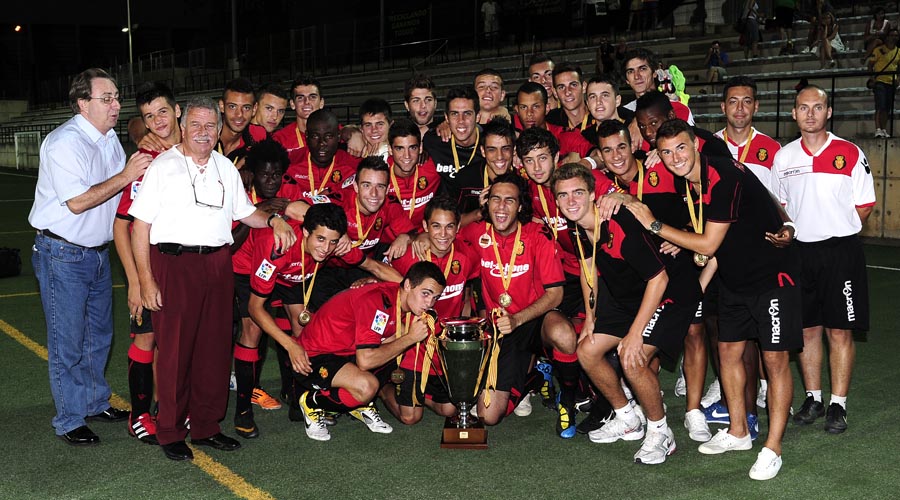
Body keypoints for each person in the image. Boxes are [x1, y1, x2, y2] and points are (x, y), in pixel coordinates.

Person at [624, 119, 801, 480]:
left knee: (774, 360)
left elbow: (707, 244)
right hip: (734, 279)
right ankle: (738, 432)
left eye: (681, 149)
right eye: (666, 152)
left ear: (696, 146)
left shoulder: (722, 175)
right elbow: (714, 232)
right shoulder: (690, 183)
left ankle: (773, 447)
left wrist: (654, 224)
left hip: (772, 278)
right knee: (727, 353)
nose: (675, 158)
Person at [129, 96, 297, 461]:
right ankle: (171, 430)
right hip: (172, 265)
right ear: (183, 126)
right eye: (196, 125)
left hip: (218, 264)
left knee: (214, 349)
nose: (203, 133)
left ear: (219, 129)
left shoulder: (226, 167)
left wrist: (274, 219)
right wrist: (145, 279)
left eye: (210, 126)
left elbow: (246, 213)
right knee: (174, 351)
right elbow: (139, 226)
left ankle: (206, 426)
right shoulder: (162, 167)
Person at [29, 68, 153, 446]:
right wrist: (127, 173)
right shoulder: (65, 142)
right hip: (62, 253)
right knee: (68, 340)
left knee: (99, 335)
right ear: (83, 103)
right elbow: (79, 201)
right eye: (107, 98)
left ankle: (95, 401)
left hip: (97, 254)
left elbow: (123, 194)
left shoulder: (107, 139)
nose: (116, 104)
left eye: (116, 97)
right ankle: (69, 418)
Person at [552, 162, 700, 464]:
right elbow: (587, 268)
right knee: (587, 351)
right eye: (563, 195)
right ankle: (628, 418)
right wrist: (591, 319)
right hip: (629, 295)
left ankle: (661, 432)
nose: (571, 201)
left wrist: (634, 334)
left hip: (669, 293)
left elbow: (659, 279)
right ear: (555, 200)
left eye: (578, 193)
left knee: (631, 358)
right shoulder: (575, 224)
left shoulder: (618, 223)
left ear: (594, 194)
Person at [243, 203, 401, 438]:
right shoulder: (277, 245)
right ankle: (243, 411)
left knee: (306, 336)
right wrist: (289, 345)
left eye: (333, 241)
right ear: (306, 232)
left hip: (295, 278)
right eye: (320, 239)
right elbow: (255, 307)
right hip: (250, 269)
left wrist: (408, 288)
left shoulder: (335, 245)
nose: (326, 248)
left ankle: (302, 399)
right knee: (252, 330)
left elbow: (375, 268)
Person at [770, 85, 876, 434]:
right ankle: (813, 398)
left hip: (840, 252)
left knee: (840, 330)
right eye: (803, 108)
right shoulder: (784, 157)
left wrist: (837, 230)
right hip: (799, 253)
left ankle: (838, 404)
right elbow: (779, 206)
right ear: (794, 113)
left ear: (828, 112)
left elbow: (865, 204)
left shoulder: (850, 152)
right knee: (807, 329)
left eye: (817, 107)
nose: (810, 114)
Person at [458, 173, 580, 439]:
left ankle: (568, 399)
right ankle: (536, 377)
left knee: (564, 334)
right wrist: (416, 239)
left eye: (509, 201)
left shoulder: (538, 234)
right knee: (489, 416)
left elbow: (556, 293)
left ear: (521, 206)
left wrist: (519, 319)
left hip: (536, 319)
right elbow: (444, 232)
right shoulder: (476, 233)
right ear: (486, 204)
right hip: (501, 327)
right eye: (496, 200)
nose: (501, 207)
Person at [292, 262, 446, 441]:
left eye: (435, 297)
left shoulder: (398, 299)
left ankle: (360, 403)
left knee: (397, 346)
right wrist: (410, 338)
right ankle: (311, 401)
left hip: (346, 353)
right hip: (313, 357)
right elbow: (366, 361)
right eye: (425, 294)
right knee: (367, 386)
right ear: (407, 285)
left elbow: (388, 340)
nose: (430, 303)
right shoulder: (377, 301)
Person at [113, 81, 182, 445]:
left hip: (185, 268)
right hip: (150, 264)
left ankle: (167, 406)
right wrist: (136, 281)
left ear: (177, 111)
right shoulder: (145, 160)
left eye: (162, 112)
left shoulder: (199, 148)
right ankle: (139, 414)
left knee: (177, 341)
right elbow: (121, 225)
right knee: (146, 336)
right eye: (148, 117)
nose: (156, 122)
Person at [381, 197, 479, 425]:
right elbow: (383, 282)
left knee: (449, 409)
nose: (443, 234)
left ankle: (419, 394)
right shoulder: (408, 256)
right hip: (411, 346)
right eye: (436, 226)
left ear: (457, 228)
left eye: (449, 226)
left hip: (443, 348)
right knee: (410, 417)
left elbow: (469, 291)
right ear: (425, 227)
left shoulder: (468, 254)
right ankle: (383, 387)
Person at [422, 86, 486, 220]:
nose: (461, 120)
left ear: (478, 116)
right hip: (443, 222)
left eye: (467, 113)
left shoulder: (489, 145)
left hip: (479, 221)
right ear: (446, 118)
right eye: (454, 114)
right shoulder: (433, 142)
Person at [283, 109, 360, 201]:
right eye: (315, 136)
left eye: (328, 136)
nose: (322, 143)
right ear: (307, 136)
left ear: (338, 136)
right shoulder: (289, 161)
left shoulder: (352, 165)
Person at [386, 118, 442, 227]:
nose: (407, 156)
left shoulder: (432, 168)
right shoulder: (380, 175)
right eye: (399, 149)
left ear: (420, 148)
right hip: (389, 242)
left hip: (424, 238)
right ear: (390, 149)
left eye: (412, 148)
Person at [217, 78, 268, 164]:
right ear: (222, 106)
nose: (239, 114)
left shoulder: (258, 135)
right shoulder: (206, 133)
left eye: (246, 108)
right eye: (232, 106)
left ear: (254, 109)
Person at [272, 75, 325, 158]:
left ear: (321, 103)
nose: (307, 102)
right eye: (300, 98)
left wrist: (352, 133)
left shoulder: (337, 134)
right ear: (292, 104)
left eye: (312, 97)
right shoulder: (279, 139)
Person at [868, 28, 900, 138]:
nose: (894, 37)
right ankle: (878, 129)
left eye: (896, 35)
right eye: (892, 35)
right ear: (887, 37)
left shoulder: (898, 51)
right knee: (880, 106)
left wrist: (898, 79)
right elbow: (870, 64)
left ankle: (884, 129)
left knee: (887, 107)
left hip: (891, 82)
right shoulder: (879, 50)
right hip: (880, 81)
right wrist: (872, 78)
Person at [403, 74, 441, 139]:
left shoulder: (448, 132)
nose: (423, 105)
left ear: (435, 103)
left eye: (428, 100)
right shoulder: (398, 135)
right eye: (416, 101)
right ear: (407, 105)